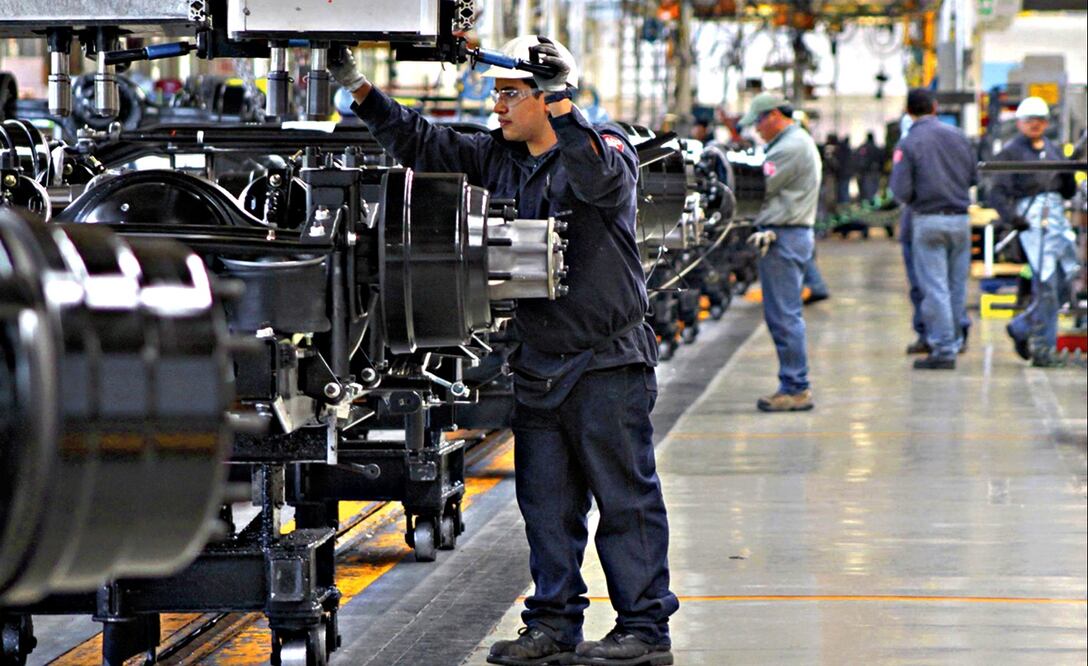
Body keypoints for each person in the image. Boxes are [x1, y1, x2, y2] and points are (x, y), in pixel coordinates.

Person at [329, 36, 677, 666]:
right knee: (546, 503)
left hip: (607, 362)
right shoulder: (500, 158)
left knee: (625, 500)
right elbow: (424, 143)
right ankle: (552, 624)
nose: (498, 106)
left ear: (549, 97)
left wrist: (566, 108)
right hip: (540, 361)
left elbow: (599, 178)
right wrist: (361, 91)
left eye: (511, 93)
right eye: (497, 93)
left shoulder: (608, 149)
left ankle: (645, 631)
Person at [739, 93, 821, 411]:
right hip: (788, 235)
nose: (757, 130)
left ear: (773, 115)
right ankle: (793, 383)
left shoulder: (791, 146)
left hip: (785, 236)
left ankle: (796, 387)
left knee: (784, 316)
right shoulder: (789, 143)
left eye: (758, 123)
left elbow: (759, 185)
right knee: (783, 314)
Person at [889, 89, 977, 370]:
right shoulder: (959, 137)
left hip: (928, 220)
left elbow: (900, 190)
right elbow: (974, 177)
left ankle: (943, 349)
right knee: (955, 286)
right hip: (961, 220)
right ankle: (955, 338)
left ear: (908, 111)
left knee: (935, 287)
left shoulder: (909, 142)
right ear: (935, 107)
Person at [989, 96, 1079, 367]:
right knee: (1048, 285)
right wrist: (1012, 218)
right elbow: (996, 192)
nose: (1035, 125)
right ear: (1019, 123)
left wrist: (1068, 176)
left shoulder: (1053, 150)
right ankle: (1043, 348)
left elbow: (1067, 189)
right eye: (1029, 120)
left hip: (1056, 222)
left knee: (1068, 280)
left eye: (1040, 120)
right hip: (1031, 224)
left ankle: (1021, 326)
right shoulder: (1011, 153)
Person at [855, 131, 884, 202]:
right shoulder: (876, 148)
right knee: (873, 187)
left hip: (866, 171)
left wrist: (859, 169)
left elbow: (858, 158)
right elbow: (881, 158)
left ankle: (868, 201)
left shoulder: (863, 147)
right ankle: (871, 201)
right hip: (874, 170)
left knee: (867, 187)